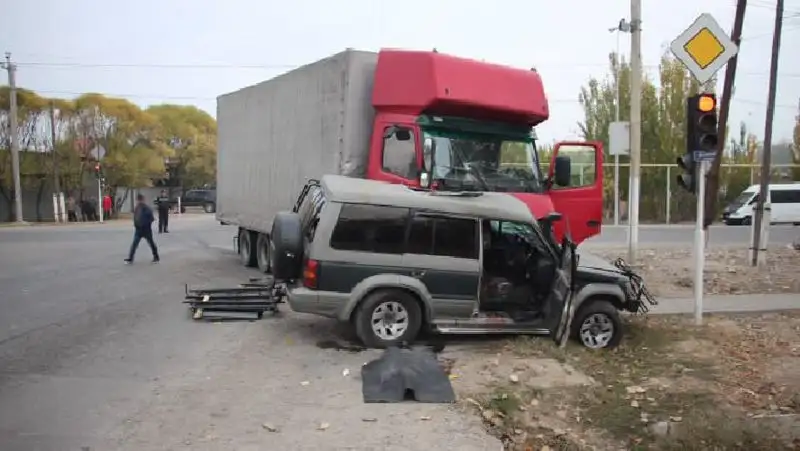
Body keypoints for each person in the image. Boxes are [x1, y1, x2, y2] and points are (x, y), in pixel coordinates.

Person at [124, 194, 160, 264]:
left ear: (143, 200)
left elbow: (151, 219)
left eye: (140, 200)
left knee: (151, 243)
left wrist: (146, 225)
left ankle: (156, 257)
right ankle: (130, 258)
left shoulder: (147, 208)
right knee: (134, 244)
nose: (139, 202)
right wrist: (136, 224)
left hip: (146, 230)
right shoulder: (137, 208)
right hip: (138, 229)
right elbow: (136, 217)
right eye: (138, 200)